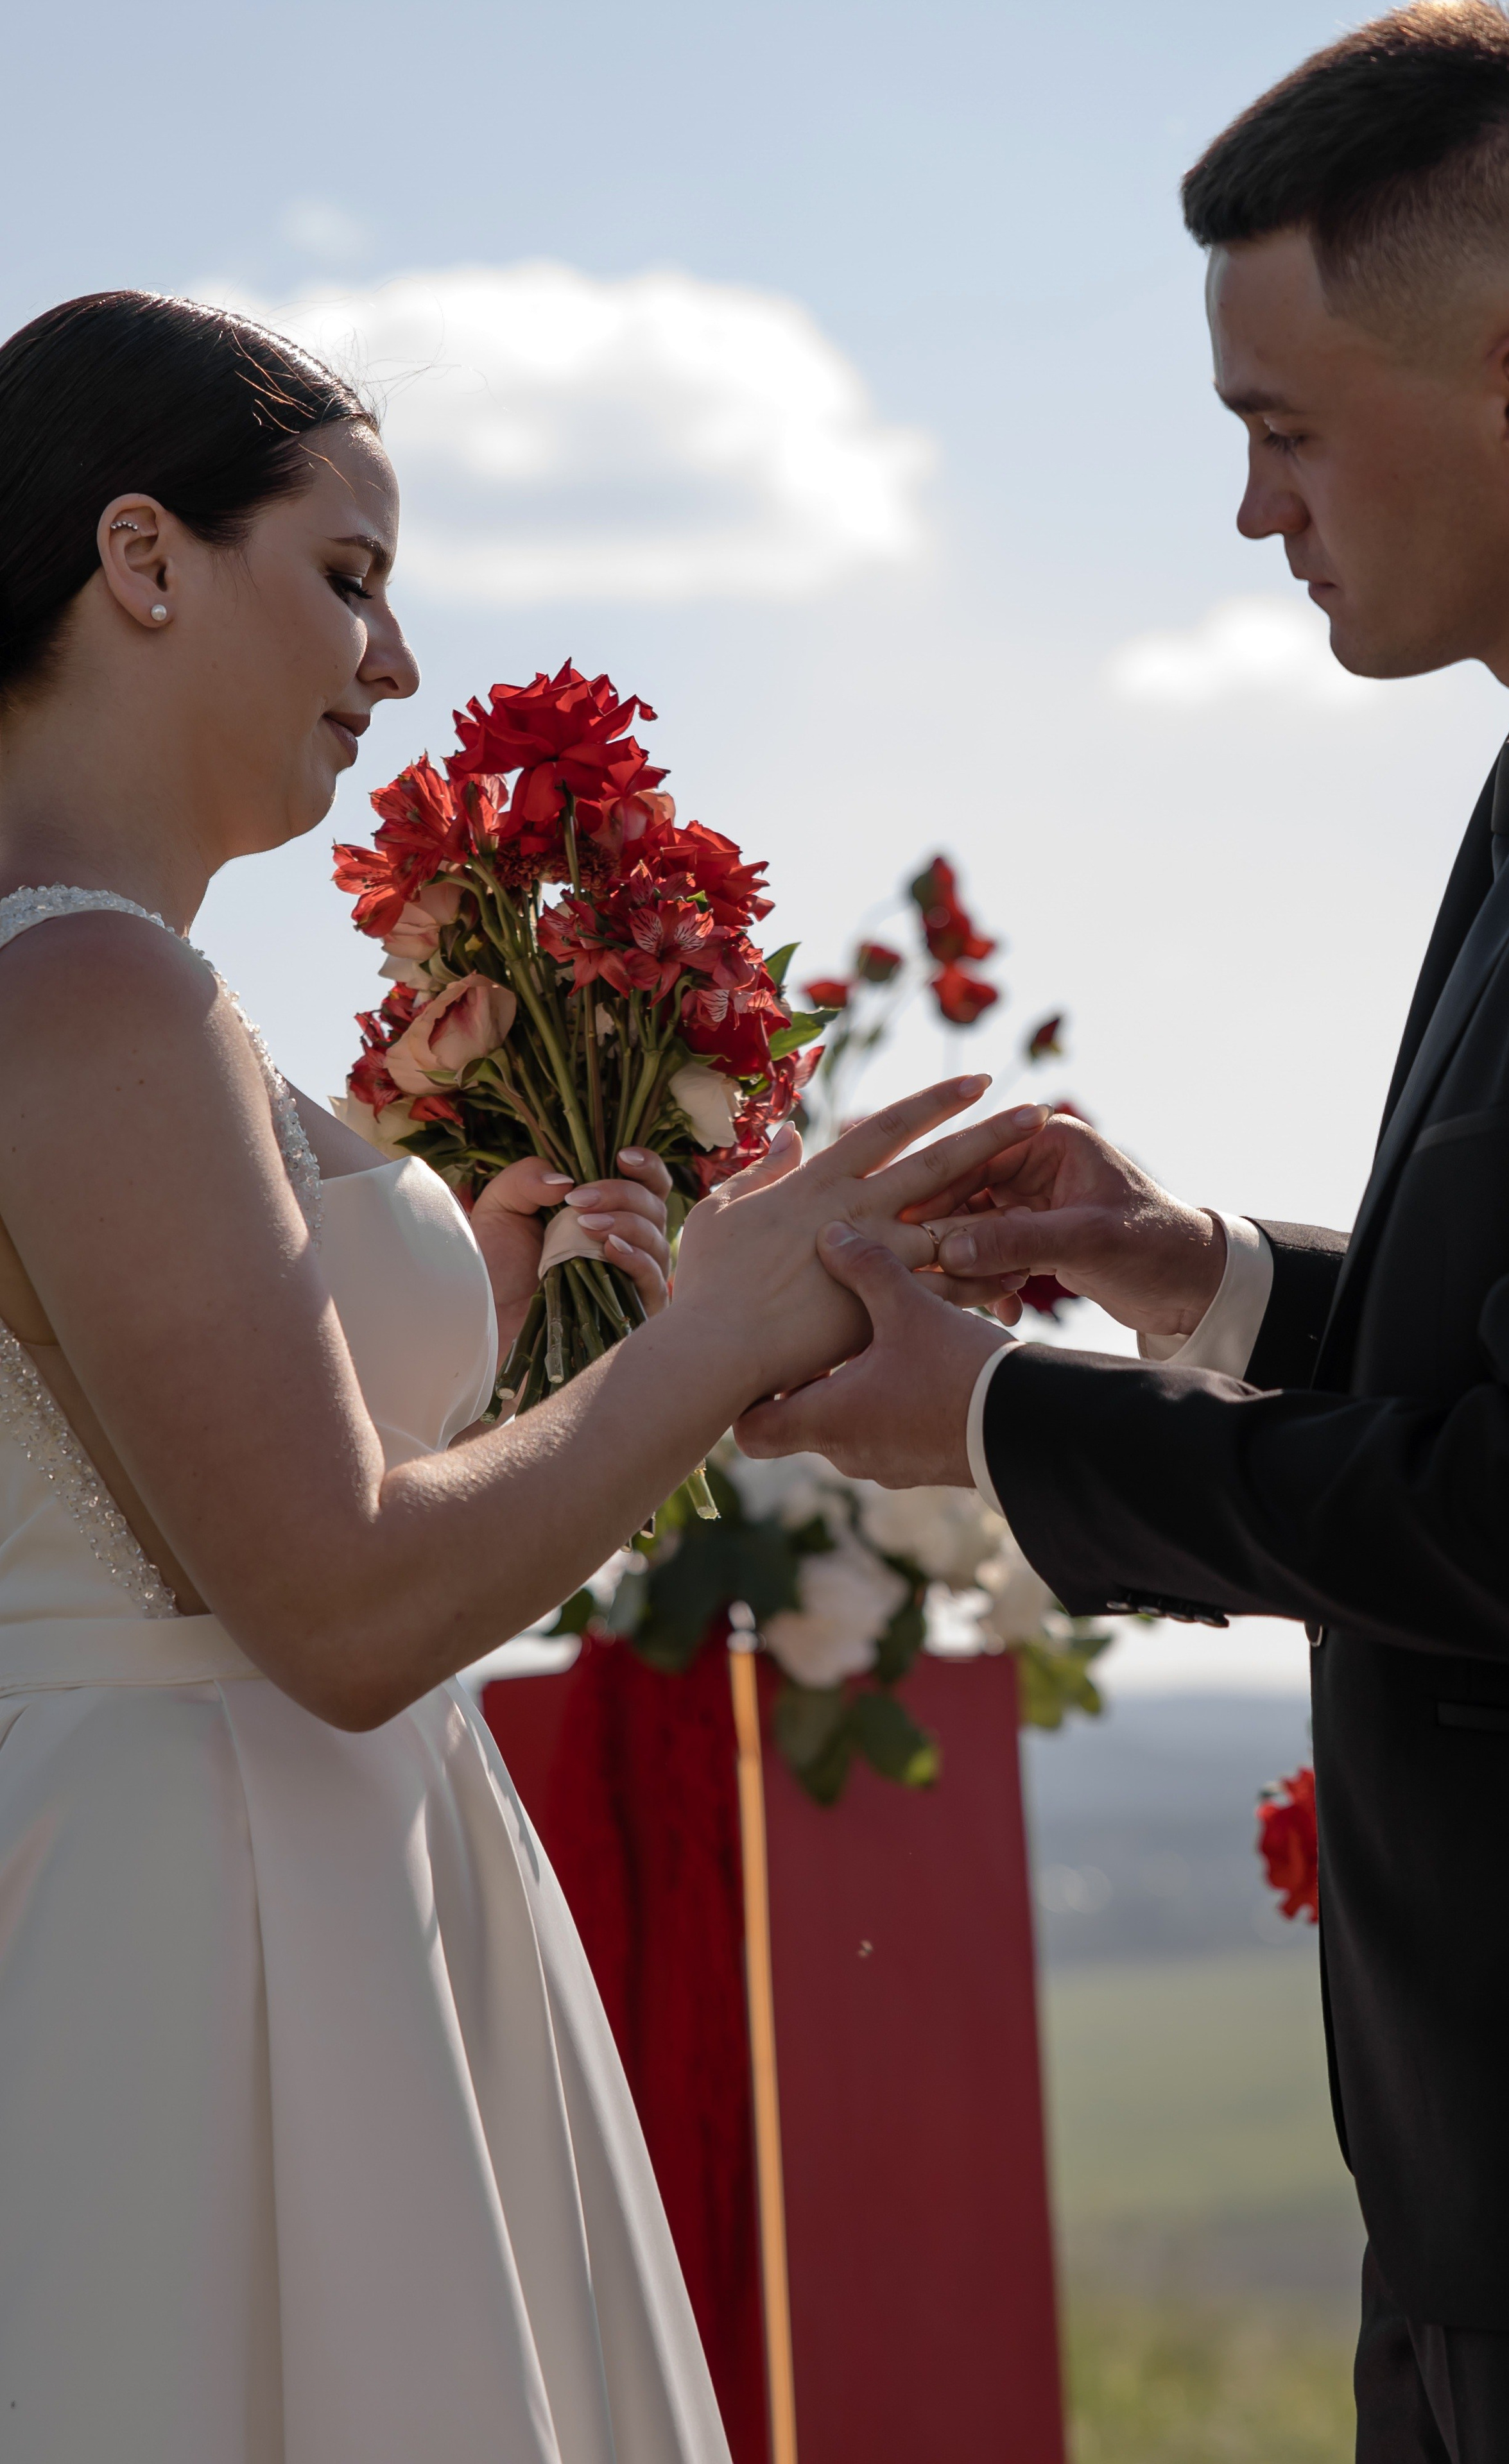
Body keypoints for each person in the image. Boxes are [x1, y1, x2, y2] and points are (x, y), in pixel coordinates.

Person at [0, 289, 1042, 2463]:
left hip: (265, 1886)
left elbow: (197, 1474)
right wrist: (729, 1321)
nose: (394, 667)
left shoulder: (111, 981)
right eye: (352, 578)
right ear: (144, 560)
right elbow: (344, 1608)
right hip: (212, 1944)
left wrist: (468, 1281)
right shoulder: (95, 989)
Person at [735, 8, 1509, 2456]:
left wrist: (1013, 1427)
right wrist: (1197, 1271)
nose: (1254, 514)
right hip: (1501, 2203)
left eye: (1281, 429)